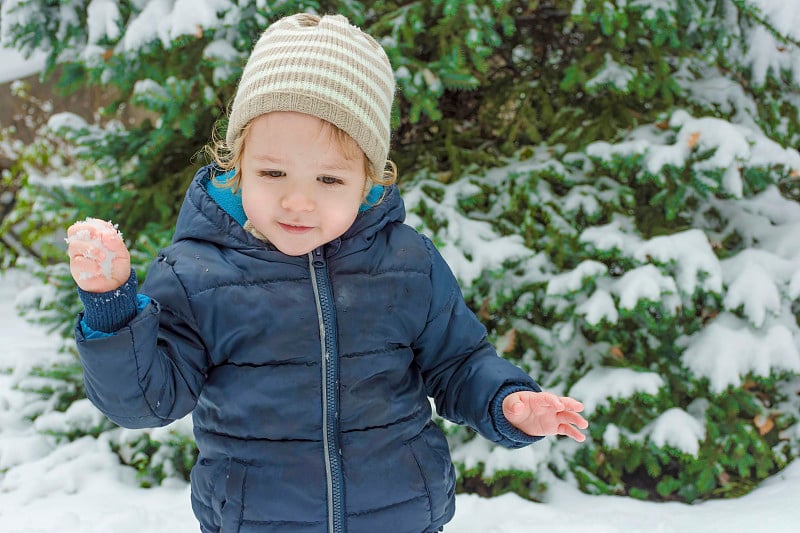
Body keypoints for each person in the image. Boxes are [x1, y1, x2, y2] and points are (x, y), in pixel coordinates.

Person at [66, 12, 588, 533]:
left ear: (368, 181)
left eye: (329, 179)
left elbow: (458, 363)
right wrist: (112, 308)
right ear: (236, 164)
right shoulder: (196, 275)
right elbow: (145, 404)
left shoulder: (407, 263)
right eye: (272, 172)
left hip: (399, 519)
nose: (298, 201)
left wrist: (506, 401)